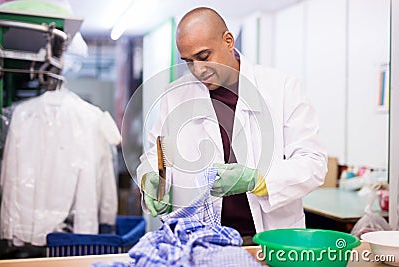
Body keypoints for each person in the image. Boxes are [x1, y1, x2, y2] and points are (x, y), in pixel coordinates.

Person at [136, 7, 328, 245]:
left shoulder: (281, 88)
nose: (198, 70)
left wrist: (258, 180)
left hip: (269, 238)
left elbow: (313, 162)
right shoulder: (176, 95)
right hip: (200, 239)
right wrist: (150, 177)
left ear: (228, 41)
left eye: (204, 56)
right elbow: (159, 151)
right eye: (189, 62)